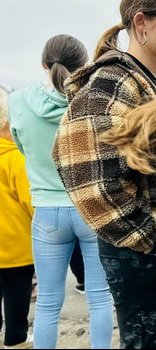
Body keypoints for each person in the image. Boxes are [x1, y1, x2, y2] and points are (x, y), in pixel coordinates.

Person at [51, 1, 156, 347]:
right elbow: (89, 181)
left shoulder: (148, 83)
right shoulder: (111, 82)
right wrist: (155, 242)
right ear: (141, 22)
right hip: (141, 249)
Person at [7, 34, 113, 349]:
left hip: (47, 213)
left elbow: (23, 149)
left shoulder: (17, 102)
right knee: (99, 298)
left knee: (48, 304)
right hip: (91, 208)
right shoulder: (94, 100)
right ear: (85, 65)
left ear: (44, 64)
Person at [0, 93, 34, 350]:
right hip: (16, 250)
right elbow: (29, 201)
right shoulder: (14, 158)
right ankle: (16, 341)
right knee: (16, 300)